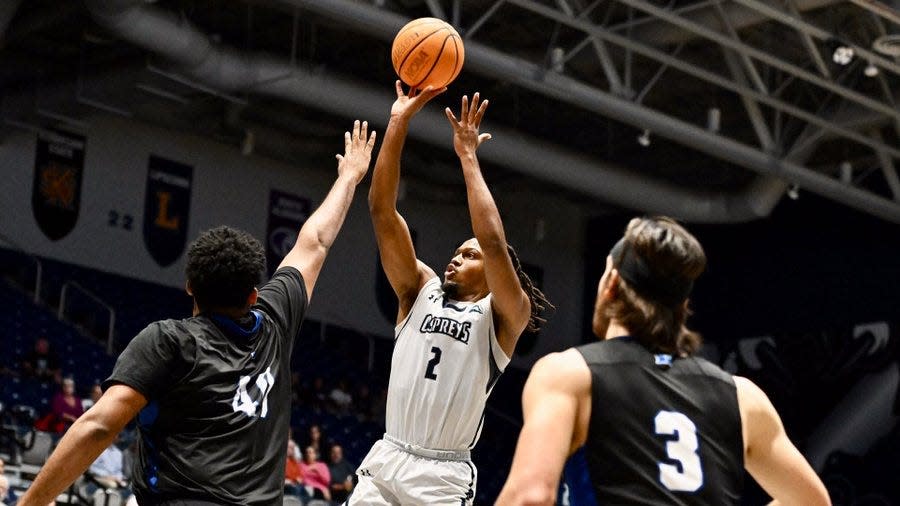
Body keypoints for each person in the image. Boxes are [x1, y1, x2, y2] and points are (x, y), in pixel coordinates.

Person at [17, 120, 377, 506]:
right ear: (255, 296)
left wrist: (29, 503)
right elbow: (316, 241)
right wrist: (350, 178)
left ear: (189, 285)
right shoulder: (276, 320)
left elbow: (99, 426)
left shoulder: (169, 341)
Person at [495, 217, 831, 505]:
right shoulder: (743, 396)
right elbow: (813, 501)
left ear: (611, 285)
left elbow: (531, 496)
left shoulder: (570, 373)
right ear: (681, 307)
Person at [355, 82, 551, 505]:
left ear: (496, 273)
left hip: (442, 476)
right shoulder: (417, 289)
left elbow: (494, 242)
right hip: (389, 455)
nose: (455, 258)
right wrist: (398, 121)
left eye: (469, 255)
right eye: (457, 251)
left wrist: (467, 158)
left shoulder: (504, 316)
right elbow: (381, 211)